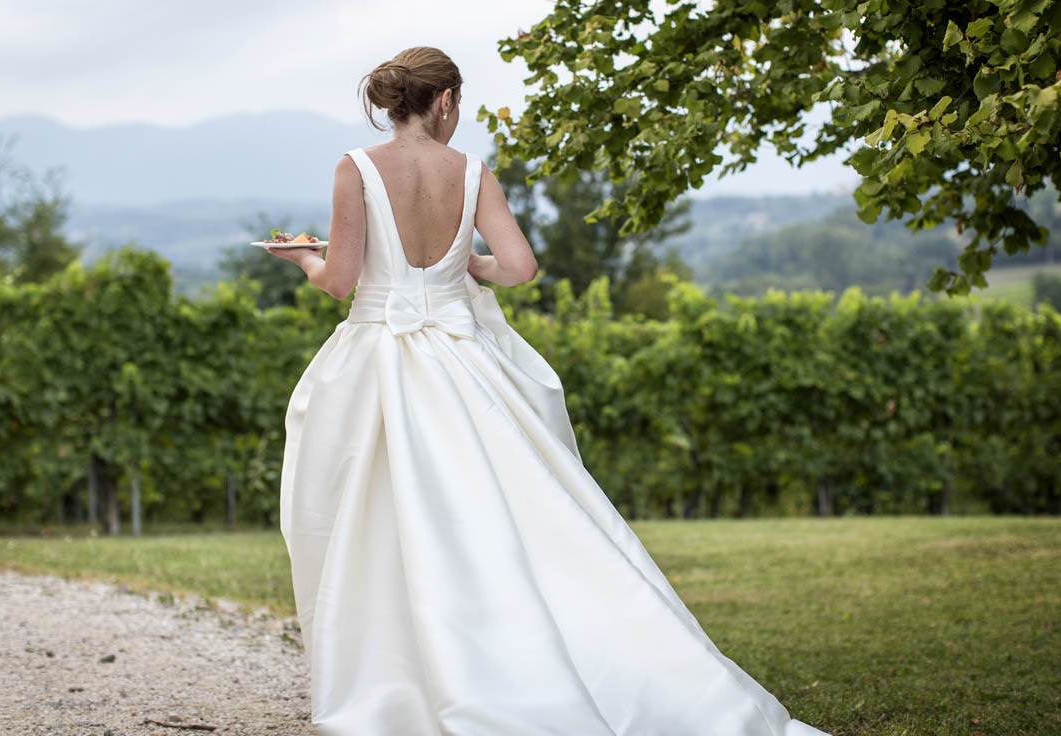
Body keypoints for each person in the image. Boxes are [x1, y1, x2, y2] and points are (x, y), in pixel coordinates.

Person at [269, 46, 831, 736]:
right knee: (511, 514)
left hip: (375, 370)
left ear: (401, 102)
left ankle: (403, 677)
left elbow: (341, 280)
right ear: (445, 101)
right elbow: (519, 266)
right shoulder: (472, 172)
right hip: (462, 364)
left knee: (376, 519)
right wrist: (462, 264)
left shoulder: (356, 168)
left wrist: (304, 258)